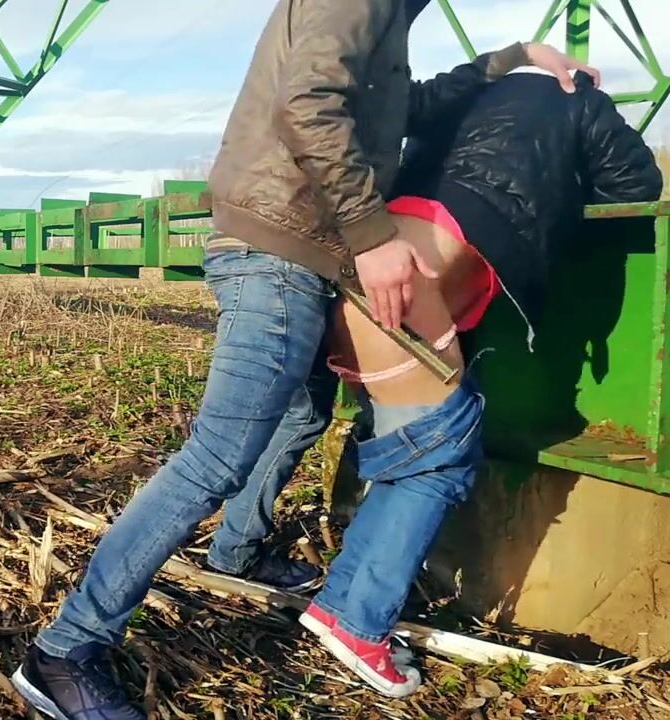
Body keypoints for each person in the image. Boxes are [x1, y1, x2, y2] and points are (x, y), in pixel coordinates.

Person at [10, 1, 594, 717]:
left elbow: (405, 108)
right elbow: (309, 103)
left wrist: (513, 59)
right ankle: (65, 651)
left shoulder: (389, 17)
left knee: (302, 413)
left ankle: (236, 552)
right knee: (216, 458)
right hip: (279, 251)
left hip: (300, 251)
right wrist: (373, 236)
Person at [210, 65, 661, 698]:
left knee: (407, 452)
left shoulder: (458, 94)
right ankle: (360, 624)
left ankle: (338, 602)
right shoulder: (574, 97)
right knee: (441, 462)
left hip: (351, 271)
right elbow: (635, 185)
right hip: (405, 291)